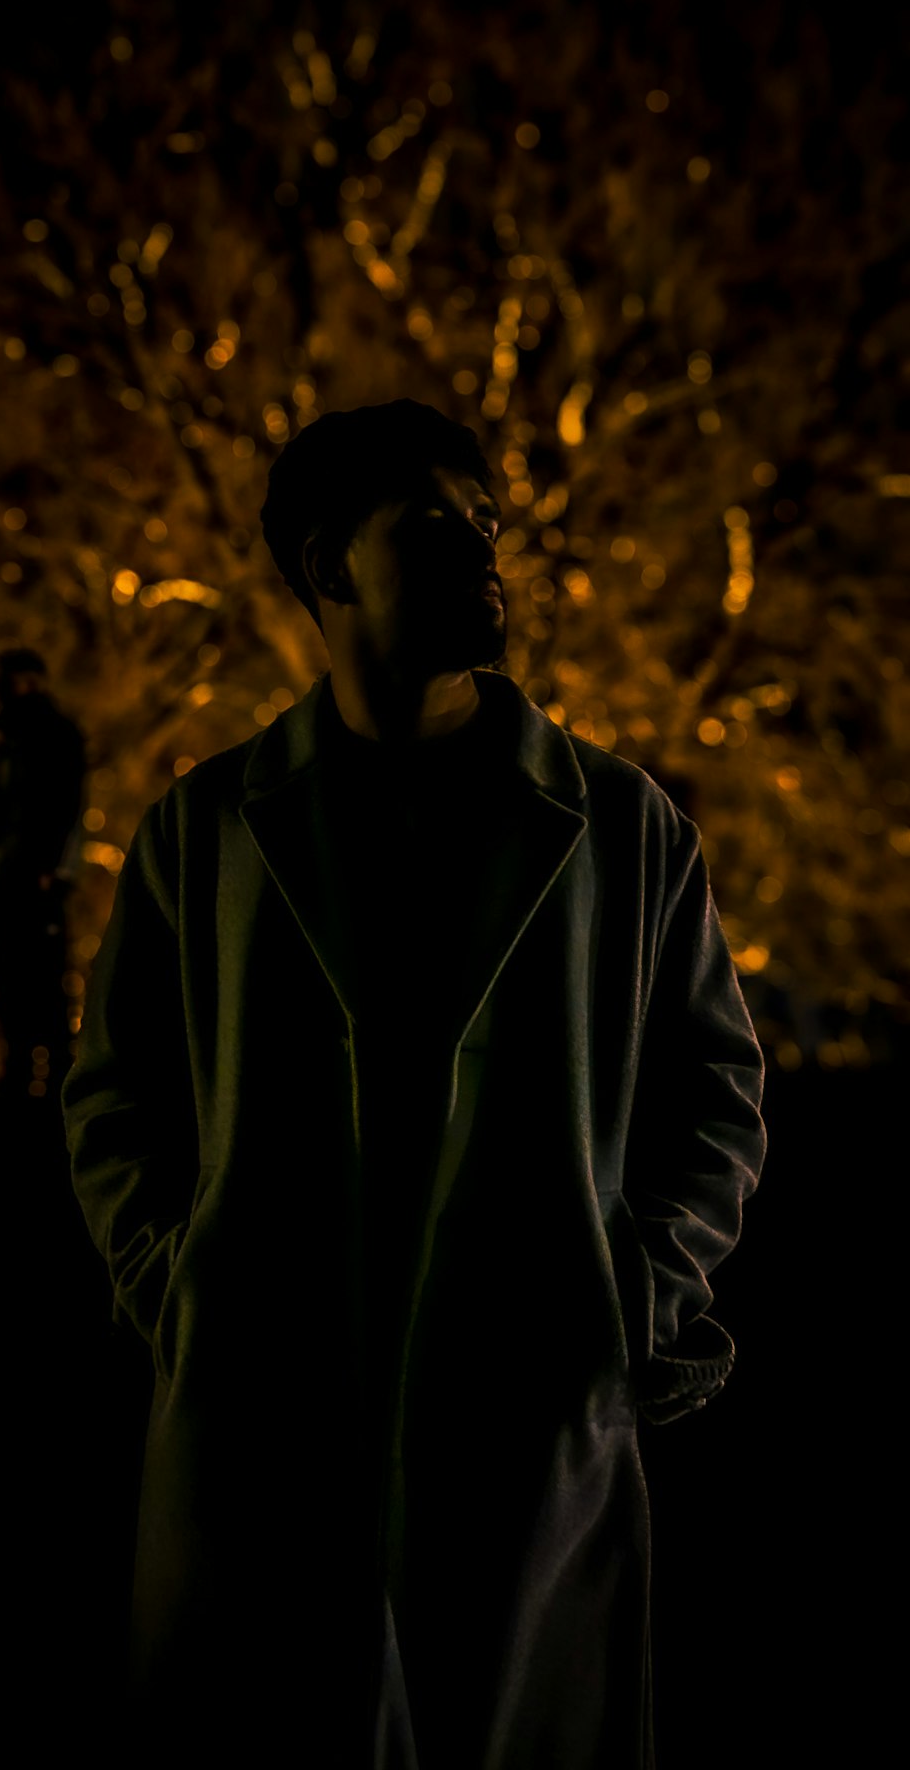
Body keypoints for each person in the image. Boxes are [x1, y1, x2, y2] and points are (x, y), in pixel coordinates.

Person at [61, 399, 767, 1766]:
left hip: (526, 1420)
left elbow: (716, 1094)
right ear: (330, 566)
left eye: (491, 526)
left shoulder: (620, 828)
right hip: (263, 1442)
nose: (487, 558)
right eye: (440, 527)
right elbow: (113, 1102)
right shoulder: (205, 833)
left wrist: (634, 1294)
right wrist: (182, 1291)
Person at [0, 648, 84, 1098]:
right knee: (15, 976)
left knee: (43, 976)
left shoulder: (52, 735)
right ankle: (24, 1069)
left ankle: (58, 1076)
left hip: (37, 873)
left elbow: (65, 803)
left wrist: (53, 867)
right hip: (12, 872)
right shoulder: (12, 739)